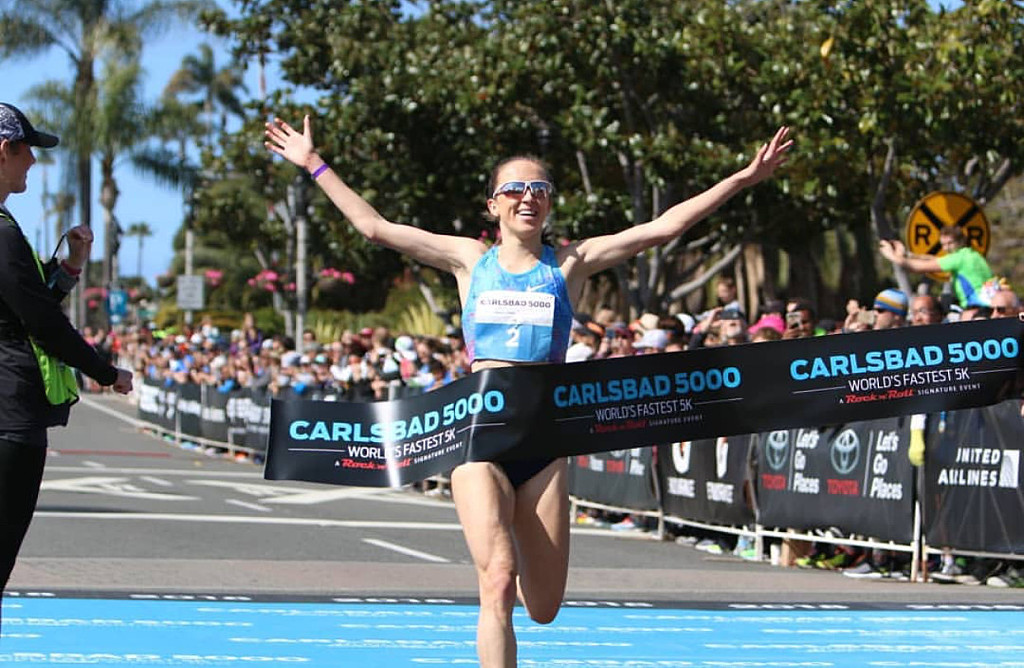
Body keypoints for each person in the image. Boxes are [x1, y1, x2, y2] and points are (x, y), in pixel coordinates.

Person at [265, 114, 791, 667]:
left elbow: (662, 229)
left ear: (549, 205)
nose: (528, 197)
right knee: (498, 578)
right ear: (493, 206)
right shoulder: (469, 259)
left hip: (543, 444)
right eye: (514, 189)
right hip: (479, 440)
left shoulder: (571, 263)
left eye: (539, 189)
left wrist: (742, 178)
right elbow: (374, 227)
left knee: (543, 606)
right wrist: (313, 164)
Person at [0, 102, 133, 628]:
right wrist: (107, 373)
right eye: (26, 150)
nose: (33, 161)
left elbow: (26, 301)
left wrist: (70, 267)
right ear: (3, 151)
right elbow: (41, 324)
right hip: (8, 416)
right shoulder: (0, 231)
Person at [878, 225, 993, 308]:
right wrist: (908, 255)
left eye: (950, 243)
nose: (946, 248)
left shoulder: (957, 258)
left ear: (961, 241)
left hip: (977, 306)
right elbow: (936, 260)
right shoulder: (972, 255)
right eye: (943, 245)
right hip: (989, 303)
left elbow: (917, 267)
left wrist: (891, 256)